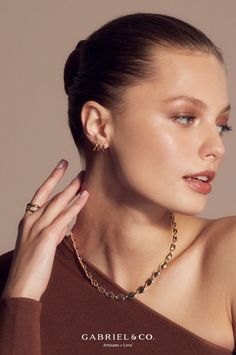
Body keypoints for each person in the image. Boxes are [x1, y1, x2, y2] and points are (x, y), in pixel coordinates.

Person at [0, 12, 235, 355]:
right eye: (185, 118)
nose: (216, 147)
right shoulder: (9, 279)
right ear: (98, 125)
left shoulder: (228, 258)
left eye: (221, 125)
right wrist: (19, 301)